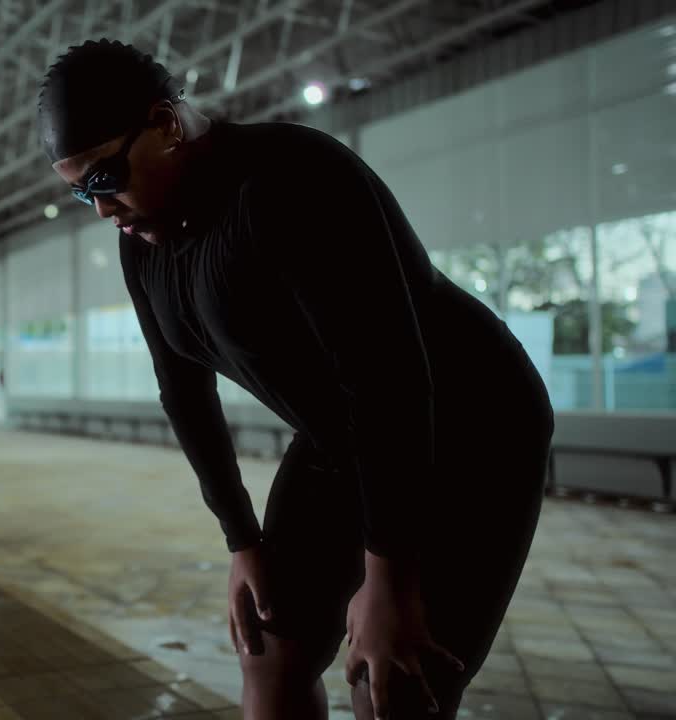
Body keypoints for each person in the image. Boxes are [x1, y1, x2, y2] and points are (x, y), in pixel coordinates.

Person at [37, 40, 554, 720]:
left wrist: (388, 579)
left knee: (394, 683)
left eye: (104, 179)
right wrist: (242, 541)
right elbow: (184, 392)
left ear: (165, 125)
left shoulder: (293, 179)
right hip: (341, 439)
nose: (101, 209)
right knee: (269, 656)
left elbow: (388, 377)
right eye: (79, 191)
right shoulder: (143, 246)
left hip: (473, 429)